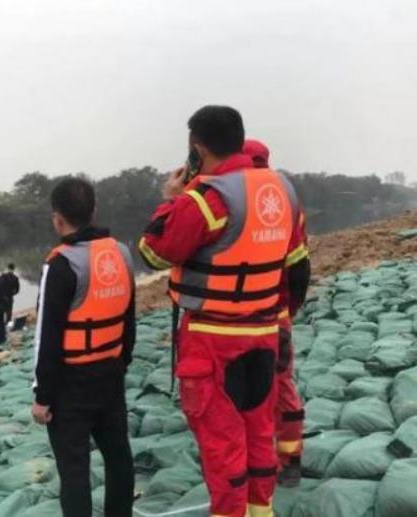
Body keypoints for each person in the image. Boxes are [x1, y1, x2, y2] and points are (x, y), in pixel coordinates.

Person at [138, 106, 307, 517]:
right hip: (264, 332)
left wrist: (170, 200)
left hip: (213, 342)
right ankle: (261, 510)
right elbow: (295, 262)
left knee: (223, 450)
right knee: (258, 434)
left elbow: (154, 253)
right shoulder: (281, 190)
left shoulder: (207, 199)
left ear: (197, 147)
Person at [33, 178, 136, 517]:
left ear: (57, 218)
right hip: (110, 373)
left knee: (74, 470)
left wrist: (42, 396)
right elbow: (128, 318)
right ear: (93, 211)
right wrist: (120, 364)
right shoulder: (121, 252)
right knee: (119, 457)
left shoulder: (61, 264)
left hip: (69, 384)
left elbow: (47, 336)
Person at [244, 139, 311, 487]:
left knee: (245, 391)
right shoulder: (288, 199)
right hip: (278, 312)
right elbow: (300, 265)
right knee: (281, 384)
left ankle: (255, 465)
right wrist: (290, 310)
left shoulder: (231, 199)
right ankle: (291, 459)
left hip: (241, 318)